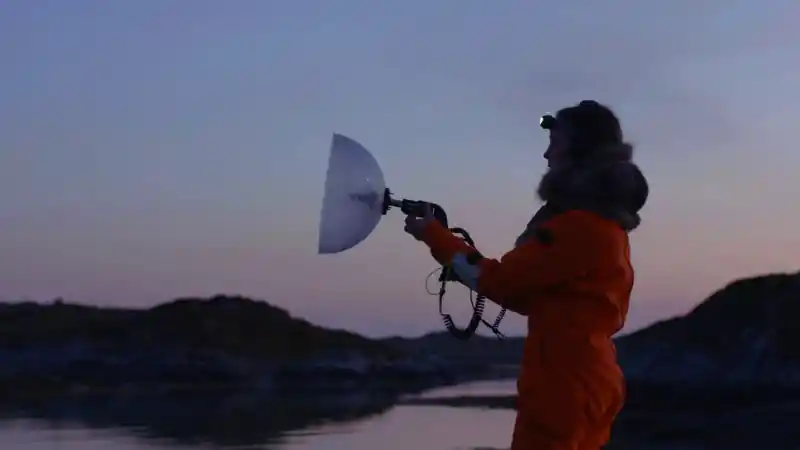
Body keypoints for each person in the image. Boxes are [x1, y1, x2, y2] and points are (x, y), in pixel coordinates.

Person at [404, 100, 649, 450]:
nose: (547, 155)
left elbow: (502, 281)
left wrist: (435, 236)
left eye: (556, 142)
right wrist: (458, 261)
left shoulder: (578, 227)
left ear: (580, 148)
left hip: (564, 390)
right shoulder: (605, 228)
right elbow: (527, 296)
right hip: (588, 384)